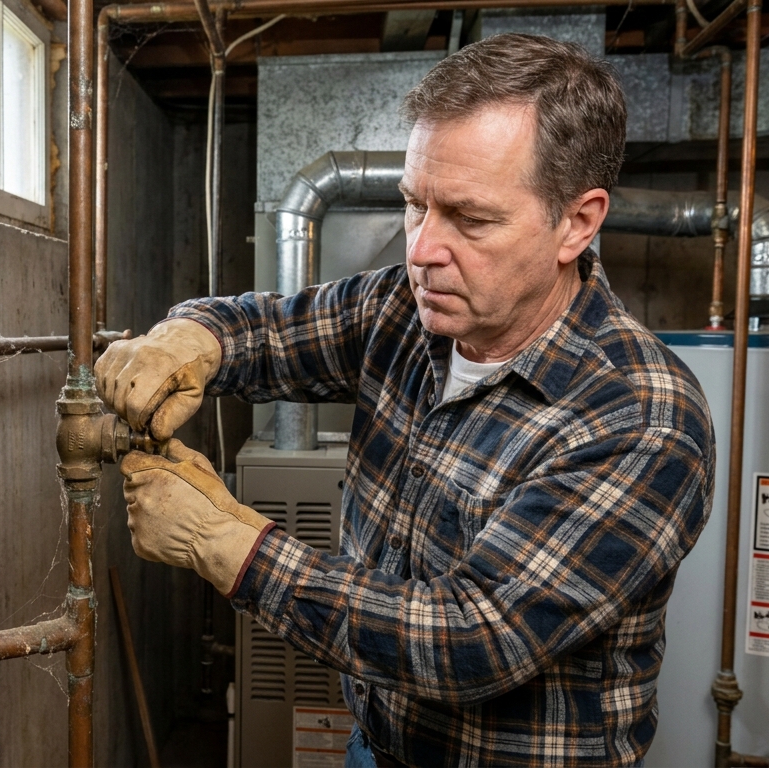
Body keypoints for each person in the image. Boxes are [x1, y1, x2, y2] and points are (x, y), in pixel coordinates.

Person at [96, 33, 714, 767]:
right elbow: (265, 332)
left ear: (577, 223)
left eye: (471, 218)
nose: (421, 249)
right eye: (415, 205)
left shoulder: (639, 417)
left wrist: (224, 543)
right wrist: (186, 340)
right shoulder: (409, 307)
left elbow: (473, 639)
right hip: (378, 744)